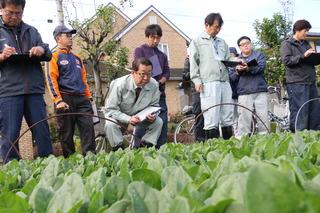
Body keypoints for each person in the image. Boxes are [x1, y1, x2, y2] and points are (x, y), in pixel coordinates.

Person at [0, 0, 53, 163]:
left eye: (18, 13)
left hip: (34, 90)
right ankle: (13, 170)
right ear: (1, 9)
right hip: (9, 91)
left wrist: (41, 49)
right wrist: (1, 56)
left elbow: (48, 53)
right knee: (10, 135)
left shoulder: (31, 31)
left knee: (42, 131)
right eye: (10, 12)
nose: (14, 17)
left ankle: (49, 166)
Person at [47, 25, 95, 157]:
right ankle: (71, 162)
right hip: (65, 99)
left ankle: (91, 160)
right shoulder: (53, 57)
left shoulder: (77, 58)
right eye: (67, 35)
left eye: (71, 35)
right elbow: (51, 79)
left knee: (88, 130)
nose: (70, 38)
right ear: (58, 39)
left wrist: (88, 96)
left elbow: (84, 79)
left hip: (82, 99)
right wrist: (58, 100)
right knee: (66, 134)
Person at [189, 13, 233, 140]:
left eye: (219, 27)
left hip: (224, 81)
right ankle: (213, 150)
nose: (217, 30)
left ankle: (229, 146)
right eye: (215, 27)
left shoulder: (222, 42)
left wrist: (237, 63)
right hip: (209, 82)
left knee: (227, 114)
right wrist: (197, 80)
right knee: (211, 115)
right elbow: (193, 63)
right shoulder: (197, 41)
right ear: (206, 25)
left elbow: (227, 59)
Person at [104, 58, 163, 150]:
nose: (146, 78)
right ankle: (118, 150)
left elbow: (155, 105)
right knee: (110, 125)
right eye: (142, 74)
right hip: (119, 116)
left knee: (158, 122)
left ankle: (145, 148)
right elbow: (110, 110)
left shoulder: (154, 84)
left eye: (149, 74)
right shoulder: (119, 84)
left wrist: (153, 115)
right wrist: (128, 119)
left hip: (140, 117)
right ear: (132, 73)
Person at [133, 24, 170, 148]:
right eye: (153, 37)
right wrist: (150, 80)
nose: (156, 41)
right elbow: (140, 69)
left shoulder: (162, 55)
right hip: (144, 94)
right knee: (143, 121)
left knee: (162, 121)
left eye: (158, 38)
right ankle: (137, 148)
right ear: (147, 37)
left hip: (160, 94)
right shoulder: (140, 50)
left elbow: (167, 72)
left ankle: (161, 148)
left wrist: (160, 81)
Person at [280, 19, 320, 132]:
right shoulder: (287, 44)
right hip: (297, 83)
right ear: (297, 30)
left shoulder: (306, 44)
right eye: (305, 30)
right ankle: (298, 138)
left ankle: (314, 136)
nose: (306, 33)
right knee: (300, 111)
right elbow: (287, 61)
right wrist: (303, 55)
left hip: (310, 82)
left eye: (307, 31)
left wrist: (315, 57)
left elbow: (308, 59)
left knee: (314, 111)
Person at [230, 36, 269, 138]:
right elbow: (231, 78)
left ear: (251, 44)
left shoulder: (259, 55)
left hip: (260, 90)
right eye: (243, 44)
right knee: (243, 119)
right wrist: (237, 71)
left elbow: (261, 67)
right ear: (240, 47)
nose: (246, 45)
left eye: (247, 43)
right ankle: (242, 141)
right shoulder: (235, 60)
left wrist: (248, 68)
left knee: (263, 118)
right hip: (243, 92)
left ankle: (265, 140)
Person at [182, 54, 205, 141]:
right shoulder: (189, 59)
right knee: (199, 114)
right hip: (196, 90)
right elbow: (185, 75)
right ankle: (200, 140)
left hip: (210, 89)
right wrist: (196, 71)